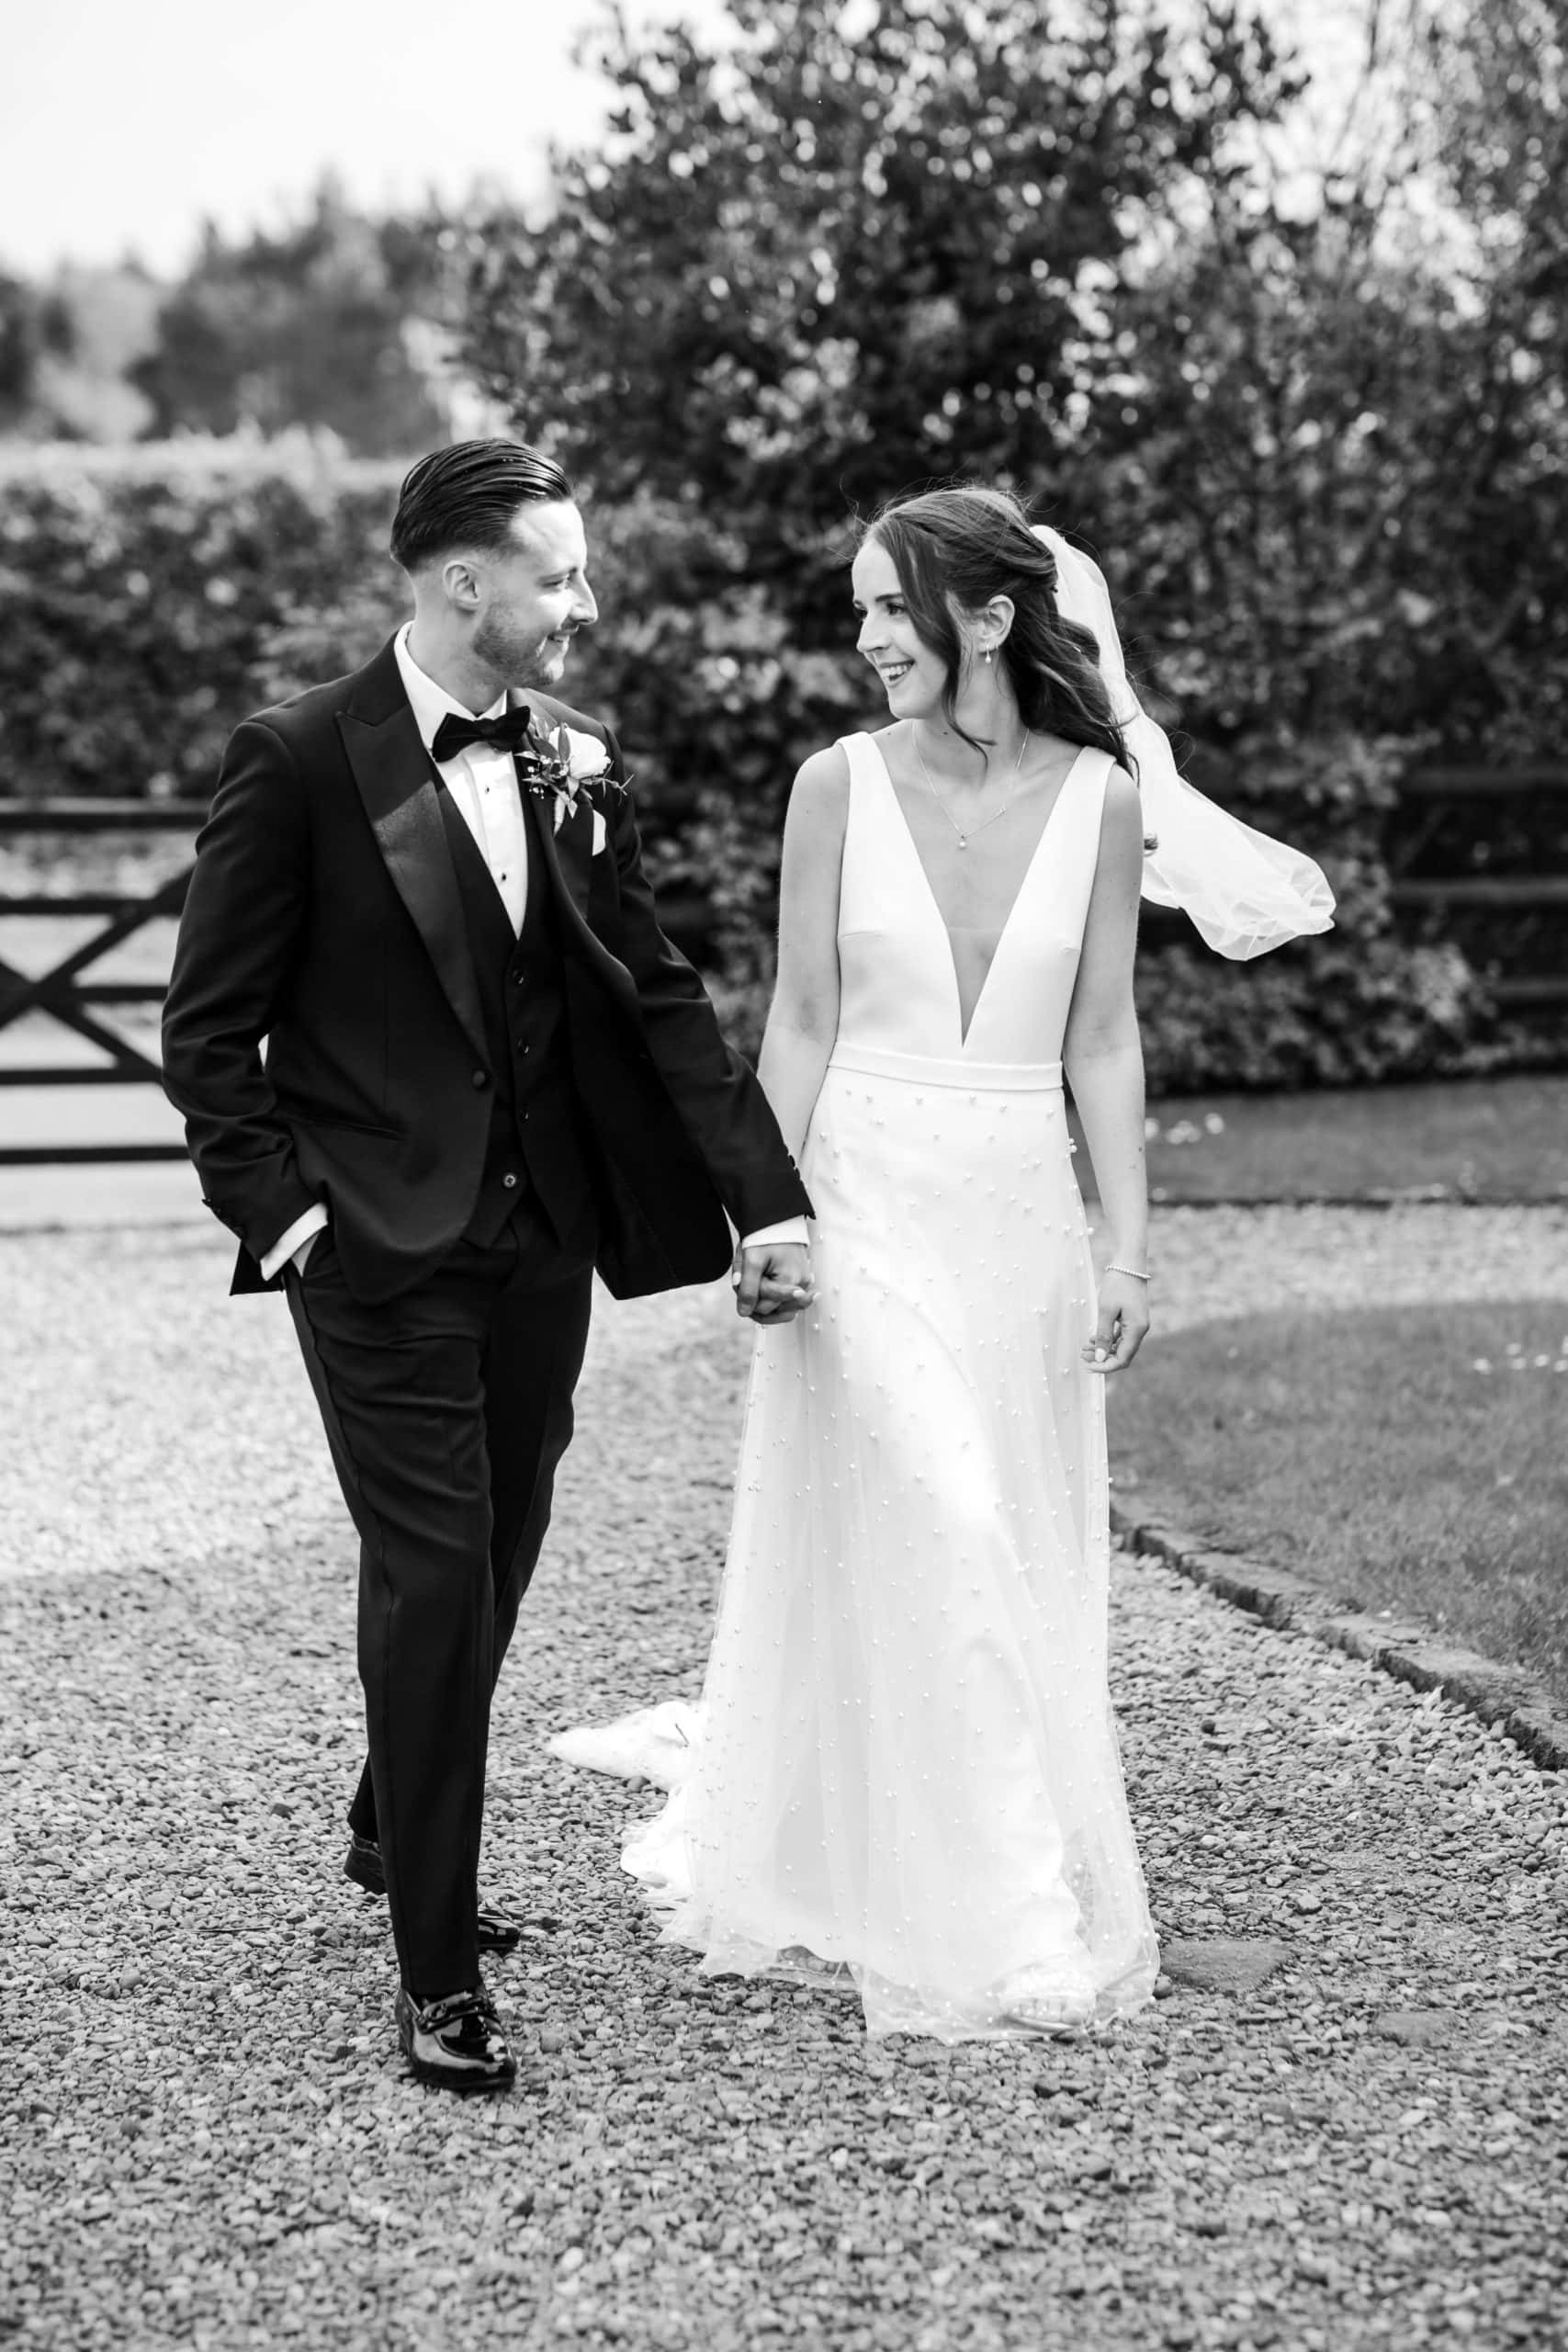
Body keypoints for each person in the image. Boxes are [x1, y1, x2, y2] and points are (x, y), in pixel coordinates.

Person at [555, 484, 1333, 2041]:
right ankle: (1024, 1917)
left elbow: (1103, 1041)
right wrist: (765, 1214)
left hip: (1019, 1219)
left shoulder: (1105, 806)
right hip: (864, 1200)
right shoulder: (833, 786)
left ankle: (890, 1851)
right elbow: (800, 1021)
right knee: (952, 1513)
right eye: (858, 610)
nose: (862, 639)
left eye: (885, 608)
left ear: (984, 618)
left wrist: (1130, 1248)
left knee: (1006, 1544)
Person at [161, 439, 815, 2094]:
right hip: (372, 1256)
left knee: (511, 1530)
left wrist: (769, 1200)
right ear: (468, 582)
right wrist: (289, 1216)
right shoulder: (301, 758)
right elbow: (205, 1028)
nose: (583, 605)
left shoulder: (577, 761)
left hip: (539, 1244)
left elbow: (652, 990)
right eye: (562, 575)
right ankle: (436, 1969)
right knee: (436, 1569)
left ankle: (395, 1813)